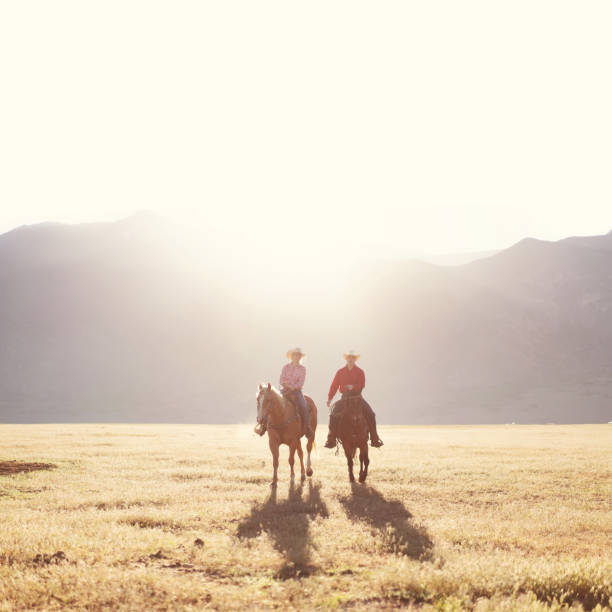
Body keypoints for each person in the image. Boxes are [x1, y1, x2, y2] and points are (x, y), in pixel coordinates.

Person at [324, 350, 383, 448]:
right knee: (333, 415)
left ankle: (374, 438)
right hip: (344, 399)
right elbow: (334, 386)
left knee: (371, 414)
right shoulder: (340, 372)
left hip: (357, 398)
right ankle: (331, 439)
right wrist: (330, 398)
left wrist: (353, 387)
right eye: (349, 358)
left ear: (355, 359)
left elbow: (362, 385)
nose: (350, 359)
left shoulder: (360, 372)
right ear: (346, 359)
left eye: (352, 358)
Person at [280, 348, 312, 437]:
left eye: (298, 355)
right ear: (291, 356)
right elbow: (282, 379)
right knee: (273, 402)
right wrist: (286, 385)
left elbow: (301, 382)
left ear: (300, 357)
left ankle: (307, 427)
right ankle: (266, 425)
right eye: (294, 355)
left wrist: (292, 387)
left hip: (296, 392)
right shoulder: (285, 367)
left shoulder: (302, 369)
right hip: (285, 390)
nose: (296, 357)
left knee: (304, 406)